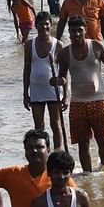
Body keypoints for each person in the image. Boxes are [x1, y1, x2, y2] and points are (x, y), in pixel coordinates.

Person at [55, 15, 104, 172]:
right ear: (69, 33)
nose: (76, 34)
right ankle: (88, 176)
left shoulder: (97, 47)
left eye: (79, 31)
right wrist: (60, 89)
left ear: (85, 30)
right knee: (83, 143)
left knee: (103, 141)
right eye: (73, 31)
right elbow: (63, 78)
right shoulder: (65, 53)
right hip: (77, 103)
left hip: (99, 100)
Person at [23, 11, 67, 150]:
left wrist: (66, 95)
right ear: (36, 26)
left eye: (46, 24)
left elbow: (65, 73)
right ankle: (43, 152)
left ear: (51, 25)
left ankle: (58, 150)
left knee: (56, 124)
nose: (44, 27)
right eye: (40, 24)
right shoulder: (30, 45)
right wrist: (25, 93)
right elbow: (27, 69)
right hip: (36, 90)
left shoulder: (58, 45)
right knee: (39, 127)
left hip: (53, 90)